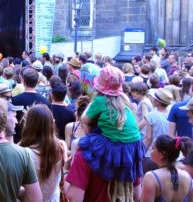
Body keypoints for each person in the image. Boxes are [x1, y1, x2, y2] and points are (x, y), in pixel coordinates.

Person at [77, 66, 144, 197]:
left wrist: (90, 106)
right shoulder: (124, 102)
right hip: (133, 146)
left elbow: (84, 119)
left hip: (113, 145)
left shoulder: (100, 100)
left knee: (80, 144)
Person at [20, 104, 67, 202]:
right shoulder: (61, 146)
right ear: (51, 123)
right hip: (53, 199)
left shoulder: (23, 152)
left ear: (29, 124)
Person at [142, 135, 193, 201]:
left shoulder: (151, 177)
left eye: (153, 149)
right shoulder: (188, 178)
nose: (150, 152)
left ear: (162, 154)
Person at [12, 67, 52, 142]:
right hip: (39, 142)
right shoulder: (46, 102)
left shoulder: (14, 100)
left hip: (20, 140)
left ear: (23, 81)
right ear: (37, 82)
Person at [143, 88, 173, 172]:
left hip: (152, 154)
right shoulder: (172, 115)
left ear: (157, 102)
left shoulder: (151, 116)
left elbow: (148, 138)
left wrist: (141, 152)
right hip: (169, 155)